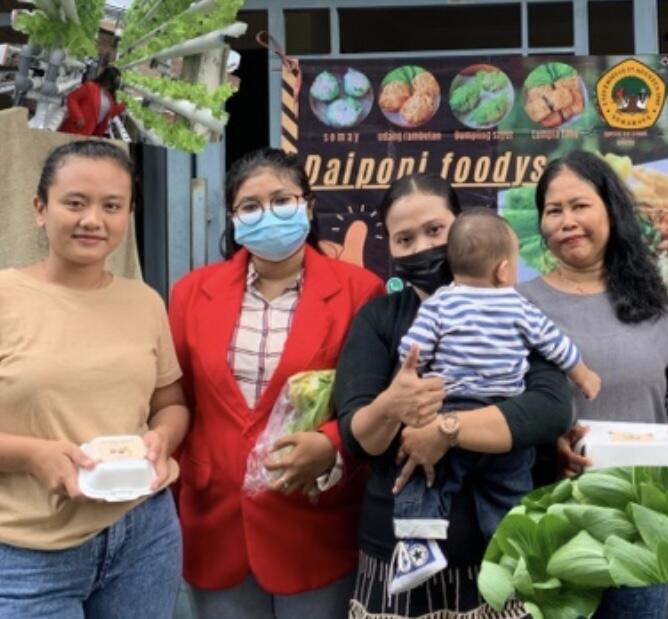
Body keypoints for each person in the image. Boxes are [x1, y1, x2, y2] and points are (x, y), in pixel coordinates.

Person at [335, 173, 572, 618]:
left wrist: (446, 430)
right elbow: (357, 437)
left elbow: (550, 407)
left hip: (504, 557)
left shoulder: (511, 307)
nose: (421, 247)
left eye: (434, 231)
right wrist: (392, 405)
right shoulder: (379, 318)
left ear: (462, 226)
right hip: (398, 562)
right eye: (404, 239)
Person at [168, 147, 384, 618]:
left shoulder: (359, 291)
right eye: (250, 206)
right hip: (214, 519)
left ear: (307, 205)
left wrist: (331, 446)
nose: (268, 214)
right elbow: (176, 400)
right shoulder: (191, 293)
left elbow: (369, 400)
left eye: (282, 200)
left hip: (314, 517)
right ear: (233, 218)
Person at [515, 150, 668, 619]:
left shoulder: (654, 304)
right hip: (554, 527)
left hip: (642, 530)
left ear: (610, 210)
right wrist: (548, 443)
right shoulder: (517, 306)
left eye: (580, 205)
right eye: (553, 210)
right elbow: (503, 407)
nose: (567, 221)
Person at [0, 140, 188, 617]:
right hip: (29, 549)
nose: (93, 220)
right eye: (75, 203)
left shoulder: (144, 302)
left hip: (144, 532)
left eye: (112, 206)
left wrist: (163, 439)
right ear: (40, 209)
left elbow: (171, 402)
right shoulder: (6, 295)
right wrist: (32, 455)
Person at [390, 207, 600, 593]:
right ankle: (515, 556)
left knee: (426, 480)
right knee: (510, 492)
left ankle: (419, 547)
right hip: (503, 420)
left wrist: (414, 375)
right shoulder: (519, 306)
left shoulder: (438, 304)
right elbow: (557, 347)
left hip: (450, 409)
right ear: (504, 270)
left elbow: (411, 349)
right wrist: (584, 375)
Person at [59, 66, 125, 137]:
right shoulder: (90, 87)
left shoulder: (110, 97)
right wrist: (78, 117)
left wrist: (123, 105)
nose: (117, 83)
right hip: (74, 129)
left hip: (89, 132)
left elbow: (109, 114)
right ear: (109, 78)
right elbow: (72, 98)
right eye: (117, 80)